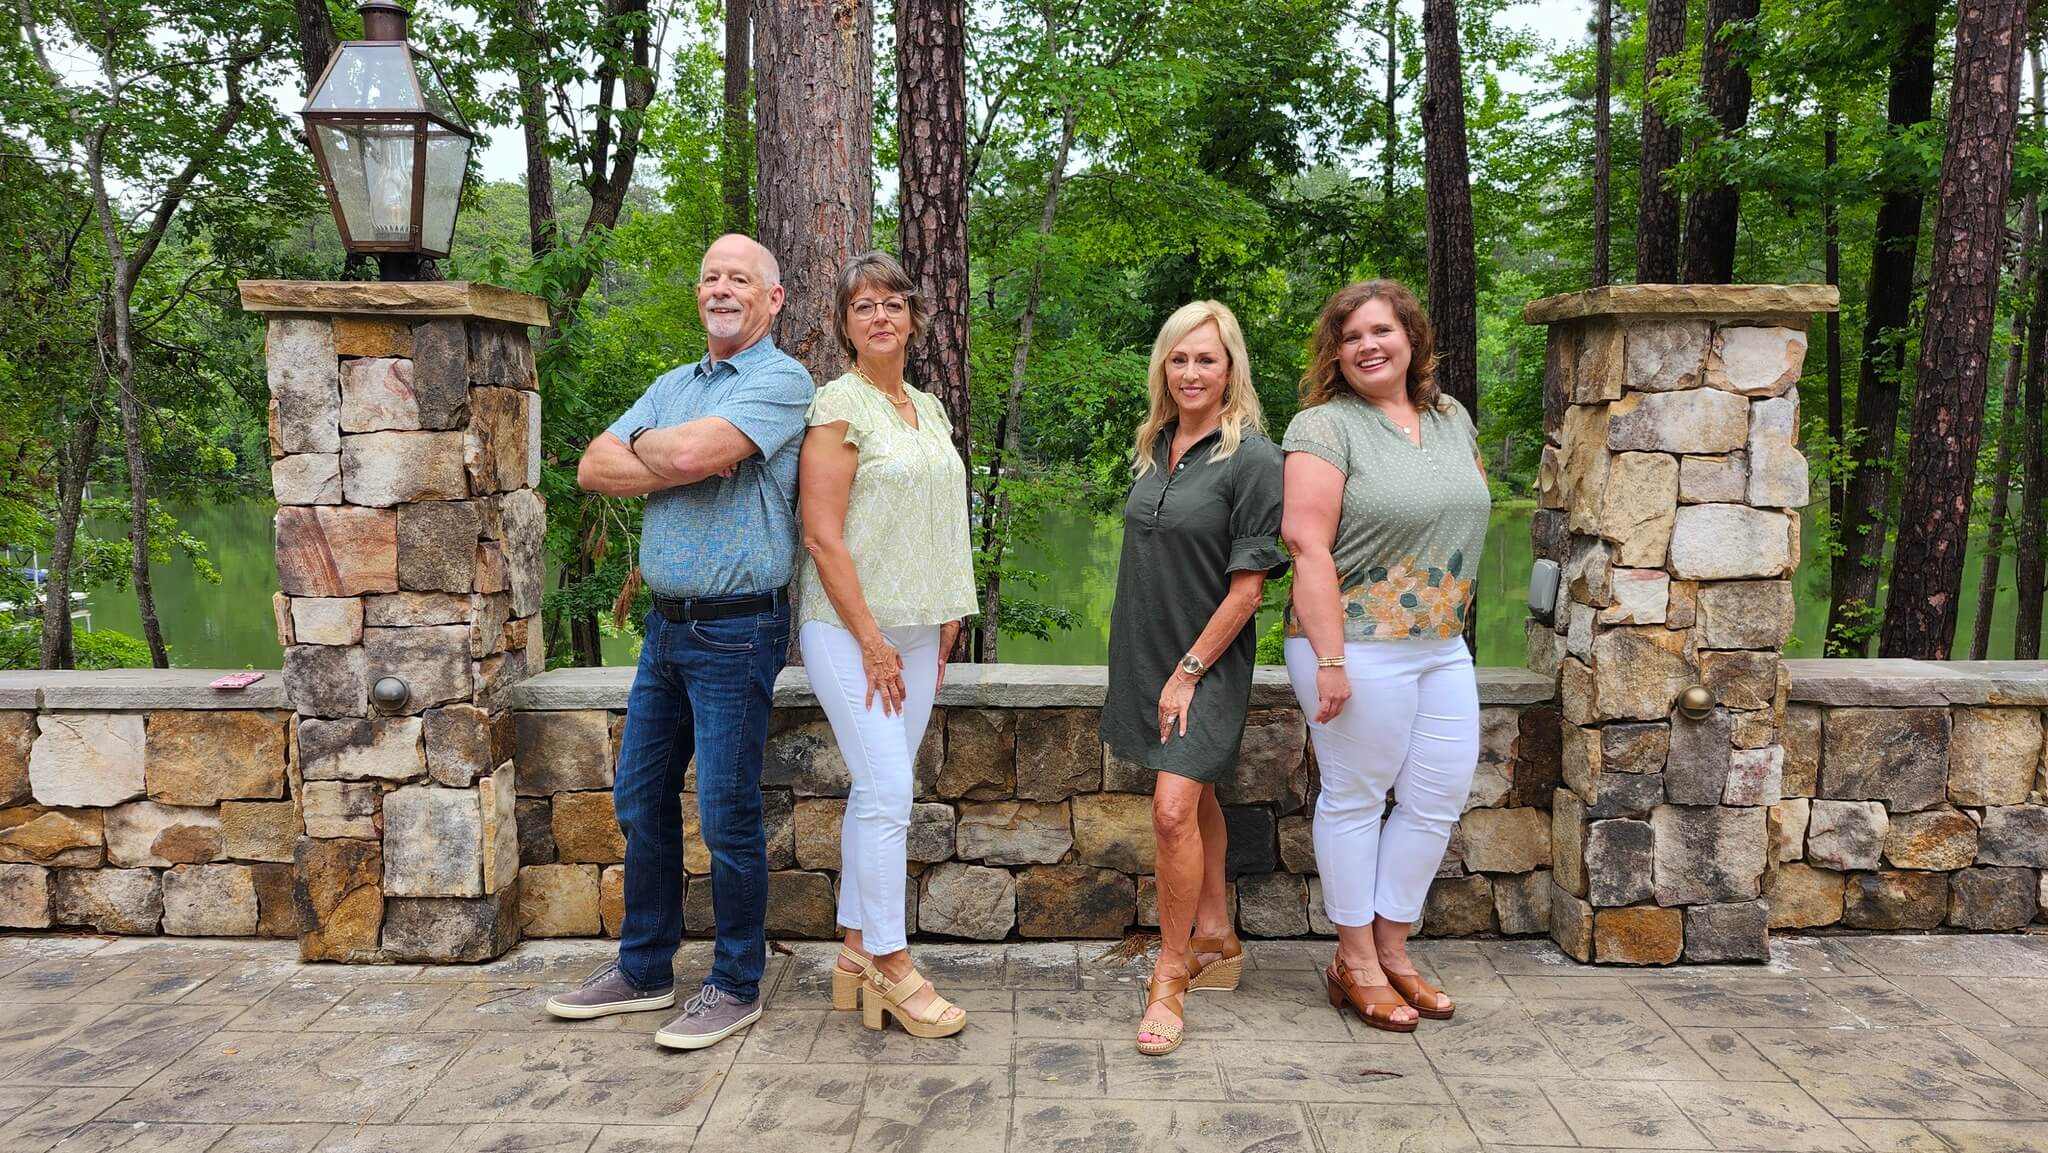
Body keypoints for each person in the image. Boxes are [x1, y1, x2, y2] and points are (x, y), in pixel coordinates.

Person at [546, 233, 813, 1052]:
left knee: (728, 814)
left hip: (740, 629)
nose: (721, 289)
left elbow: (690, 448)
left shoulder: (782, 379)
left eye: (740, 278)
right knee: (640, 797)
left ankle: (735, 981)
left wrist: (667, 449)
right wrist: (684, 458)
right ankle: (644, 969)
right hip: (664, 627)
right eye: (710, 277)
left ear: (772, 299)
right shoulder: (672, 385)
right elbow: (593, 466)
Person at [1279, 279, 1489, 1034]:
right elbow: (1306, 544)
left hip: (1442, 644)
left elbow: (1465, 511)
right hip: (1356, 645)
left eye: (1382, 330)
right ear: (1336, 353)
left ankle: (1393, 949)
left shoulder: (1450, 416)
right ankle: (1355, 960)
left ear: (1411, 337)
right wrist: (1330, 659)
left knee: (1437, 798)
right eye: (1351, 336)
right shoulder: (1324, 426)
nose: (1368, 346)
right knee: (1356, 798)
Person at [1100, 301, 1286, 1057]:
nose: (1191, 372)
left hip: (1205, 661)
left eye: (1206, 358)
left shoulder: (1253, 459)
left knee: (1173, 809)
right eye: (1178, 358)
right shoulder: (1154, 442)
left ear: (1231, 366)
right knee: (1198, 794)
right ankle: (1215, 938)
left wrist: (1187, 672)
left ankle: (1170, 974)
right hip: (1145, 650)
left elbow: (1248, 591)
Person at [799, 252, 977, 1039]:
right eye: (863, 306)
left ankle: (851, 952)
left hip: (919, 626)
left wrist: (950, 609)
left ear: (912, 318)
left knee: (878, 790)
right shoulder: (839, 404)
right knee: (889, 793)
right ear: (846, 324)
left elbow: (943, 514)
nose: (880, 316)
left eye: (892, 303)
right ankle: (892, 963)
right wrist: (870, 640)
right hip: (849, 629)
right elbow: (821, 535)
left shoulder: (927, 408)